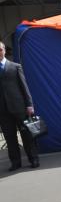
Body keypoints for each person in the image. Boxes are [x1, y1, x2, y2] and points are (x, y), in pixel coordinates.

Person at [0, 40, 39, 171]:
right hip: (3, 111)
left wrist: (29, 104)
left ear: (4, 50)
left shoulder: (15, 67)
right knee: (10, 138)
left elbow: (24, 87)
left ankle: (33, 159)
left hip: (20, 107)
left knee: (27, 135)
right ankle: (15, 163)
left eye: (0, 49)